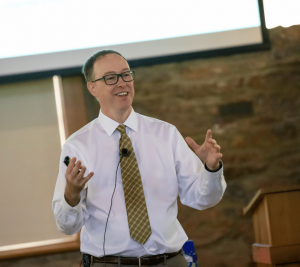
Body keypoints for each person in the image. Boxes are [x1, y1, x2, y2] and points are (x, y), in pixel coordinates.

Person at [52, 50, 226, 267]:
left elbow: (203, 198)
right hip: (108, 263)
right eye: (110, 78)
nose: (122, 83)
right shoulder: (77, 145)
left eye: (126, 74)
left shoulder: (166, 134)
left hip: (171, 261)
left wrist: (211, 169)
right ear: (92, 87)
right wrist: (71, 194)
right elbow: (67, 226)